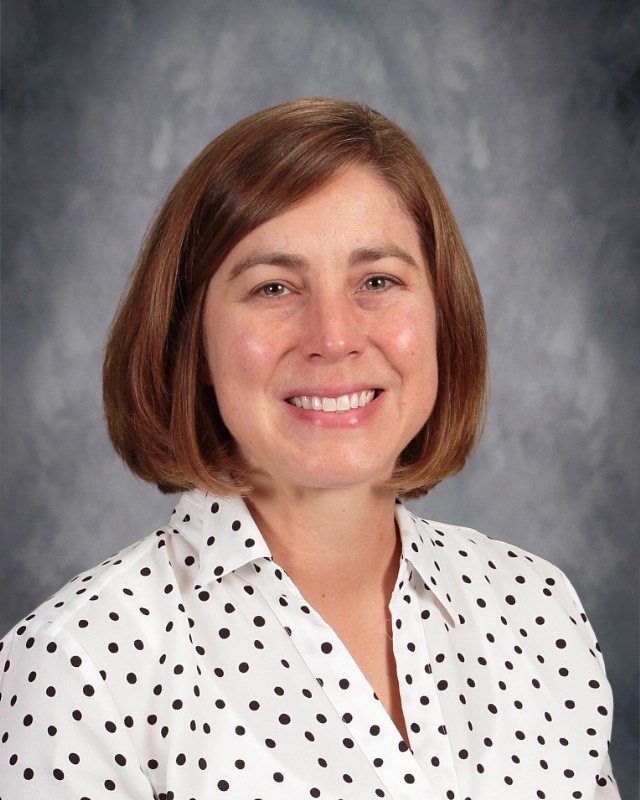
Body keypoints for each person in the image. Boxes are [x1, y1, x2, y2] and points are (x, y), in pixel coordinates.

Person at [0, 98, 619, 799]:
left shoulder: (536, 609)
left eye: (377, 282)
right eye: (274, 287)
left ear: (442, 315)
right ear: (191, 342)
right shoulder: (76, 664)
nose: (333, 336)